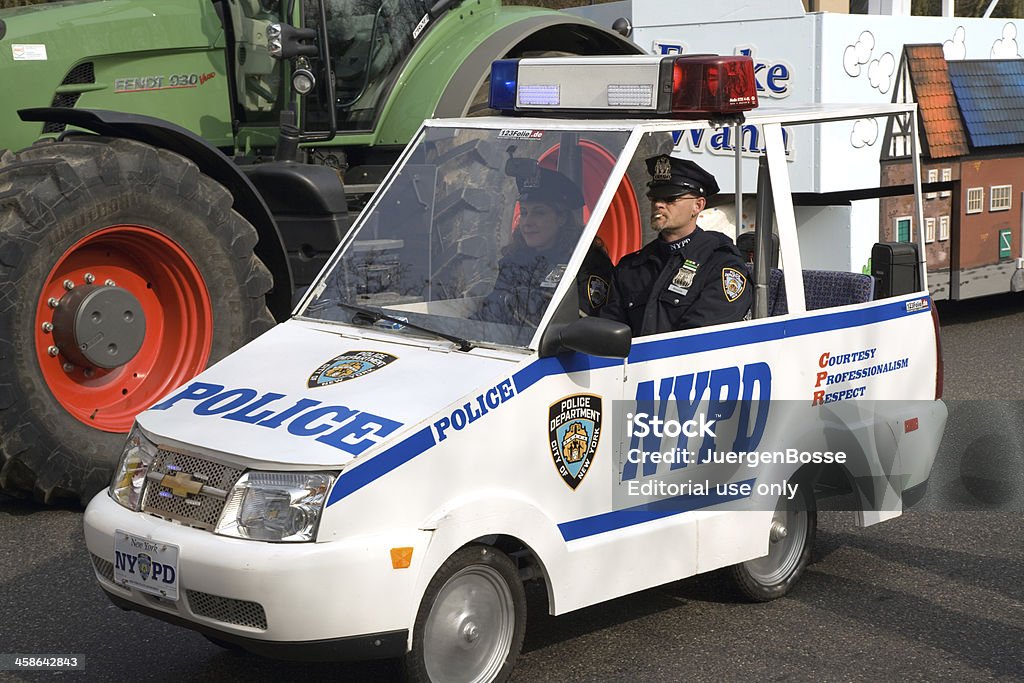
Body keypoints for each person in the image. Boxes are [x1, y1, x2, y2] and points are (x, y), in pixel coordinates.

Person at [601, 155, 751, 336]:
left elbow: (701, 338)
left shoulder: (720, 264)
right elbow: (607, 333)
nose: (658, 205)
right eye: (654, 198)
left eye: (670, 199)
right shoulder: (631, 268)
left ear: (698, 206)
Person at [474, 166, 614, 326]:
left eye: (539, 213)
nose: (527, 223)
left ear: (561, 218)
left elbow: (586, 325)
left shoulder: (586, 263)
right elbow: (489, 315)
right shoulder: (514, 262)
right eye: (525, 213)